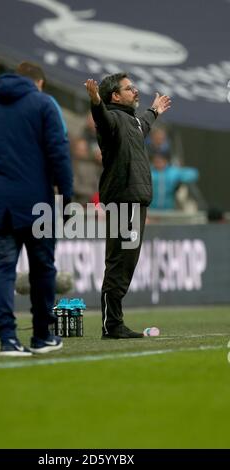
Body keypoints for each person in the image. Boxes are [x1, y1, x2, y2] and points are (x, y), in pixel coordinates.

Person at [0, 61, 73, 356]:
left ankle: (8, 339)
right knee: (43, 268)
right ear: (38, 83)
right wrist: (67, 196)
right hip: (38, 204)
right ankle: (42, 336)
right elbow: (59, 152)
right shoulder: (44, 105)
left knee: (3, 270)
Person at [85, 74, 171, 339]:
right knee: (119, 263)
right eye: (129, 88)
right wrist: (96, 101)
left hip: (133, 200)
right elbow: (102, 117)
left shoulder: (132, 121)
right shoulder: (111, 120)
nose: (136, 91)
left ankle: (113, 323)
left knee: (125, 262)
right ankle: (112, 325)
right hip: (124, 200)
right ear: (115, 96)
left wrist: (154, 111)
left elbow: (142, 124)